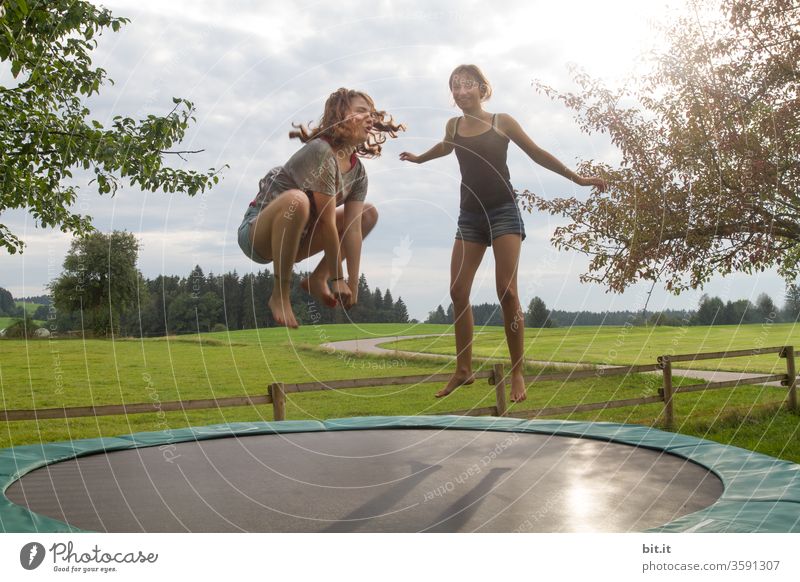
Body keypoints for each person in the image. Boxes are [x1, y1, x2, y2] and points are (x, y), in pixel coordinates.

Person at [400, 64, 606, 402]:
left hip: (503, 212)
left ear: (482, 89)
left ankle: (518, 372)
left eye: (467, 85)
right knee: (457, 291)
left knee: (507, 291)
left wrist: (579, 179)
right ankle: (463, 369)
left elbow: (537, 153)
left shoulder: (502, 122)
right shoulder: (453, 126)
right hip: (470, 216)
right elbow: (444, 147)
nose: (461, 91)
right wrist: (419, 159)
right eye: (455, 86)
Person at [238, 88, 403, 328]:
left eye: (371, 113)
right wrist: (338, 278)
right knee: (298, 200)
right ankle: (279, 294)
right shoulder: (321, 151)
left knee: (368, 214)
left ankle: (318, 278)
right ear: (339, 116)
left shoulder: (358, 173)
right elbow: (326, 223)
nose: (369, 117)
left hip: (296, 241)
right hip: (258, 234)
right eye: (360, 111)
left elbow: (353, 230)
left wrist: (352, 284)